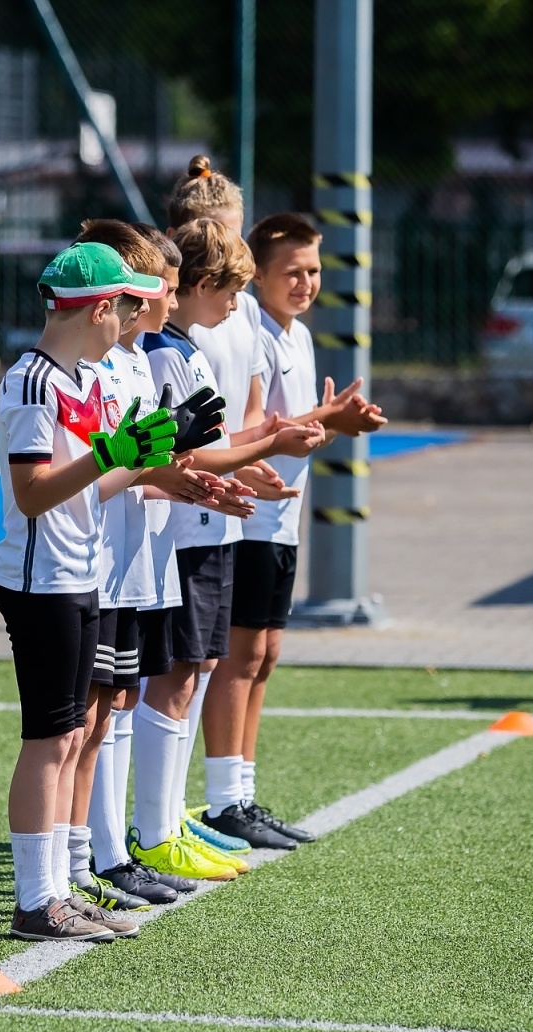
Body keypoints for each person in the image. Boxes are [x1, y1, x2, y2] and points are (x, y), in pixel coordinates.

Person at [0, 241, 181, 942]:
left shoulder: (84, 379)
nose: (132, 318)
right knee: (49, 739)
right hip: (41, 581)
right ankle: (35, 901)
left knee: (71, 736)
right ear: (99, 309)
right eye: (125, 305)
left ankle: (57, 890)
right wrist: (115, 452)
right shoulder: (33, 381)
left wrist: (146, 454)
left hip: (80, 573)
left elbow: (92, 488)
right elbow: (33, 492)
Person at [130, 218, 326, 879]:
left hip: (210, 527)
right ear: (197, 284)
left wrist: (248, 458)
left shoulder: (185, 348)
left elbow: (206, 445)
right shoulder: (167, 352)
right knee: (154, 686)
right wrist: (263, 447)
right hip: (180, 537)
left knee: (195, 672)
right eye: (232, 289)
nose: (238, 304)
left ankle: (167, 821)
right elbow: (176, 454)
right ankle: (149, 831)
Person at [65, 219, 236, 914]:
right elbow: (94, 472)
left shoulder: (136, 361)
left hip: (140, 557)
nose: (167, 297)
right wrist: (171, 463)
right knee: (85, 721)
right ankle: (93, 859)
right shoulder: (97, 366)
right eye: (161, 287)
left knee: (115, 707)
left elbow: (138, 465)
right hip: (97, 564)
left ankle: (109, 855)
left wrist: (183, 476)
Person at [206, 213, 387, 845]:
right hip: (249, 517)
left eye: (313, 271)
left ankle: (242, 794)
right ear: (258, 274)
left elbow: (298, 431)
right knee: (240, 656)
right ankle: (223, 800)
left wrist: (337, 422)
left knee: (266, 655)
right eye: (292, 271)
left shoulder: (300, 335)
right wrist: (327, 416)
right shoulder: (249, 328)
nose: (305, 282)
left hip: (283, 520)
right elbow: (258, 430)